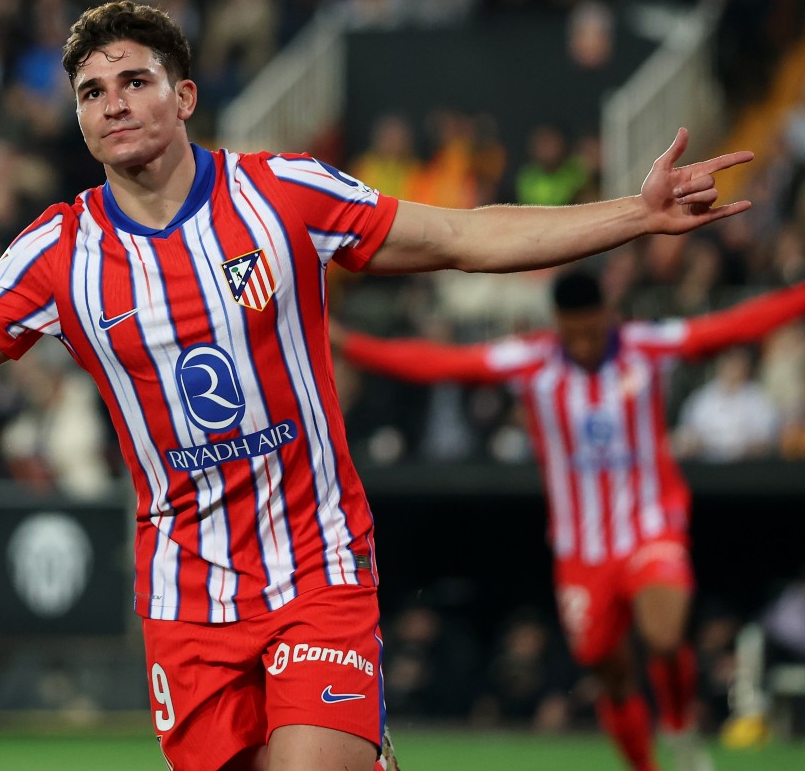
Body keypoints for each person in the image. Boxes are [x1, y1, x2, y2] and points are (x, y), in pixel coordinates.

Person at [0, 0, 754, 771]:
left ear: (183, 96)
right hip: (188, 600)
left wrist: (635, 214)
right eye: (90, 92)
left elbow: (462, 234)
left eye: (132, 82)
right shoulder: (58, 254)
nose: (111, 103)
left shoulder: (283, 194)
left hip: (318, 565)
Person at [333, 271, 805, 771]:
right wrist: (352, 345)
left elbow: (731, 327)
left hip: (650, 526)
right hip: (581, 551)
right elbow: (438, 363)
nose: (581, 341)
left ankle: (680, 726)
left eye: (591, 329)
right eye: (572, 330)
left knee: (665, 634)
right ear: (559, 323)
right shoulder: (533, 361)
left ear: (608, 315)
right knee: (611, 672)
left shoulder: (645, 346)